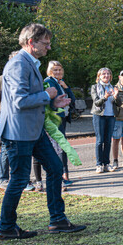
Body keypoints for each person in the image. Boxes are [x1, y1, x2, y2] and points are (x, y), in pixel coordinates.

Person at [0, 23, 86, 240]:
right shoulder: (19, 64)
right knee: (18, 179)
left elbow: (30, 99)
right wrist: (48, 95)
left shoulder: (29, 63)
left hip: (33, 130)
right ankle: (7, 226)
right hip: (19, 132)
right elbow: (19, 101)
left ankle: (57, 220)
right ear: (31, 42)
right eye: (45, 43)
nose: (49, 47)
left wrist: (54, 101)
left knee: (55, 168)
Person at [32, 61, 77, 189]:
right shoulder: (49, 82)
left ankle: (64, 175)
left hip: (61, 118)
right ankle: (45, 179)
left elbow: (72, 100)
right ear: (49, 70)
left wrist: (66, 87)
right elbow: (50, 101)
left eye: (59, 70)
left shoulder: (60, 82)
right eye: (55, 70)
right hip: (52, 119)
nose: (57, 72)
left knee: (61, 146)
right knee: (53, 147)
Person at [0, 51, 19, 189]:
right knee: (6, 149)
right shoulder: (1, 79)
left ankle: (17, 177)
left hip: (18, 119)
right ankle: (3, 178)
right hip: (4, 118)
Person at [91, 68, 117, 173]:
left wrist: (116, 97)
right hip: (99, 115)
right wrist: (105, 97)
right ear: (99, 76)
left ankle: (106, 163)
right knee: (99, 140)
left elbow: (118, 104)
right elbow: (97, 102)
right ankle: (99, 164)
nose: (106, 76)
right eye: (103, 74)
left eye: (108, 74)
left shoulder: (113, 87)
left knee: (107, 141)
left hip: (111, 116)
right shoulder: (94, 87)